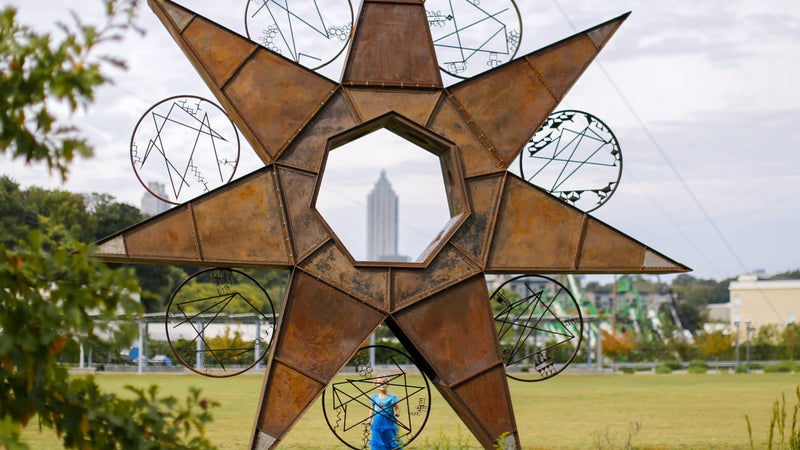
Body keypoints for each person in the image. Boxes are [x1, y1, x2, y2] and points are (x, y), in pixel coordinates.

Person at [367, 376, 401, 449]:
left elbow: (397, 408)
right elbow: (371, 409)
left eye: (384, 382)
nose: (382, 384)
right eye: (379, 383)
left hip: (388, 421)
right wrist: (369, 419)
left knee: (390, 437)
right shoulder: (374, 397)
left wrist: (397, 413)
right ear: (375, 385)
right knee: (377, 438)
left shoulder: (392, 397)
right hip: (377, 422)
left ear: (388, 384)